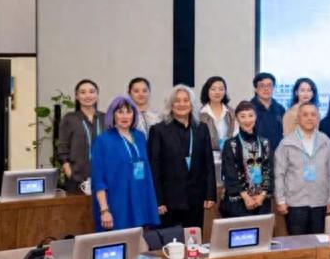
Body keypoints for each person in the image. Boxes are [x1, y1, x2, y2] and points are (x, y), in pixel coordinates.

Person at [148, 84, 217, 228]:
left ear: (192, 104)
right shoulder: (158, 130)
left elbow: (208, 164)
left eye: (186, 100)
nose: (182, 104)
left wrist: (210, 194)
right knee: (171, 240)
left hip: (196, 199)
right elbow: (154, 168)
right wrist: (158, 200)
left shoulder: (201, 129)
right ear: (170, 105)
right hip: (169, 201)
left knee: (194, 239)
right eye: (177, 101)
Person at [90, 96, 160, 231]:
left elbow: (145, 172)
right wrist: (104, 210)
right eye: (120, 112)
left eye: (128, 112)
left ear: (134, 114)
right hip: (117, 204)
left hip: (140, 202)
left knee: (141, 242)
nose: (125, 116)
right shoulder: (103, 141)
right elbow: (98, 179)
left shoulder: (140, 136)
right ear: (113, 115)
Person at [274, 102, 330, 234]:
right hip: (295, 203)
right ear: (298, 118)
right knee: (298, 243)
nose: (309, 118)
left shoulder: (325, 141)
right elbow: (279, 174)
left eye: (313, 115)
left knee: (318, 242)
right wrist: (280, 199)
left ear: (318, 118)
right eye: (305, 115)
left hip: (320, 202)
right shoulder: (286, 143)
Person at [220, 101, 273, 218]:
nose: (247, 120)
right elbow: (230, 173)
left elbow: (269, 170)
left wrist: (262, 195)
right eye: (243, 116)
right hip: (238, 202)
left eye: (250, 115)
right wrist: (246, 197)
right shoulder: (230, 144)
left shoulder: (265, 143)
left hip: (261, 201)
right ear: (236, 119)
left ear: (256, 117)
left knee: (262, 229)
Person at [57, 79, 106, 194]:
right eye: (83, 92)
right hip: (77, 180)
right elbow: (62, 149)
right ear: (77, 96)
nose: (87, 95)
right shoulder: (70, 119)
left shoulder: (106, 118)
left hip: (104, 179)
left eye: (91, 91)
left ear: (97, 95)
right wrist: (70, 173)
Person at [199, 75, 237, 163]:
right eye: (213, 89)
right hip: (206, 158)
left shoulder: (231, 112)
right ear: (207, 91)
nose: (217, 92)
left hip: (228, 157)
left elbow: (235, 134)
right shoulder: (200, 114)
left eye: (221, 89)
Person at [251, 72, 286, 150]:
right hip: (255, 152)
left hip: (277, 152)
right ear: (256, 89)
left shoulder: (280, 109)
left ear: (273, 88)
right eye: (262, 86)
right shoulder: (249, 108)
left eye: (269, 85)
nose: (266, 89)